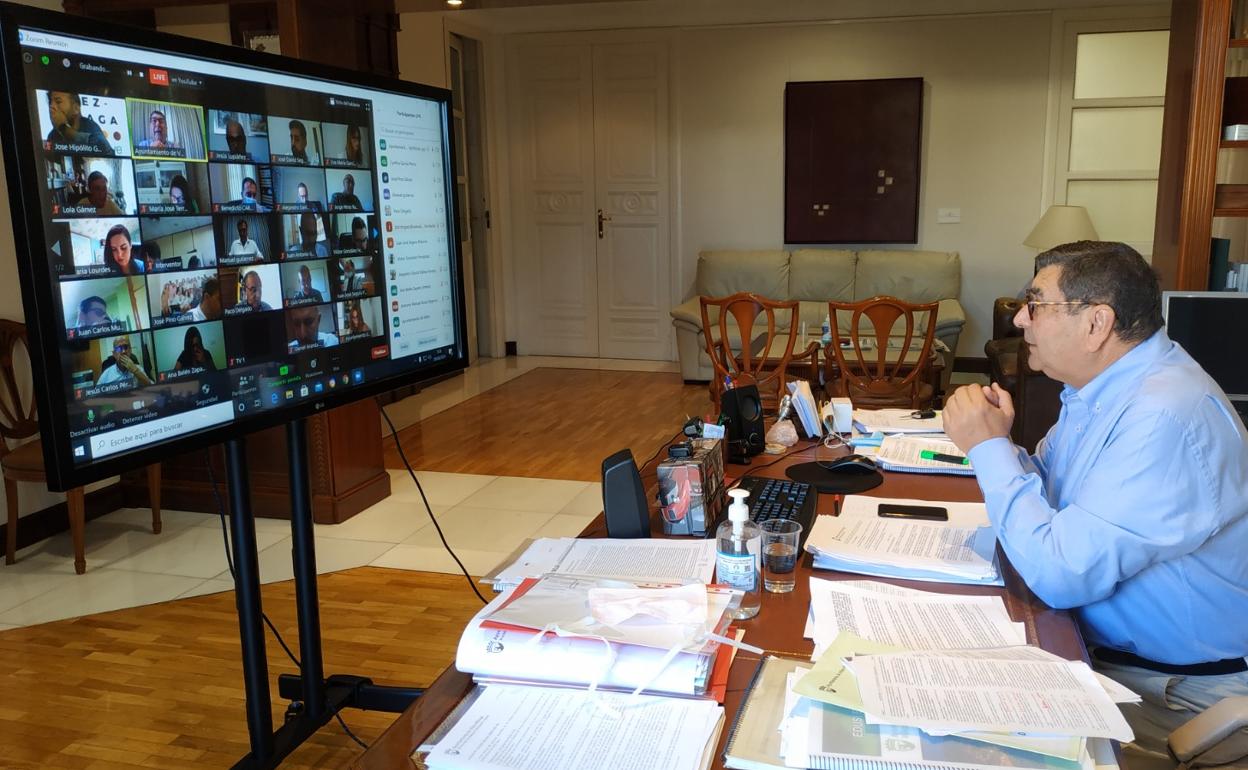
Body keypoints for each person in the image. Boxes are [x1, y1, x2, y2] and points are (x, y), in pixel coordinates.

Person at [941, 241, 1248, 769]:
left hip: (1168, 693)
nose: (1020, 319)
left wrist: (988, 449)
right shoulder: (1105, 390)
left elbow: (1060, 574)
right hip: (1104, 650)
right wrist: (1000, 442)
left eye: (1036, 304)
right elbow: (1051, 490)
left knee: (953, 729)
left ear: (1096, 323)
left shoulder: (1162, 414)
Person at [44, 91, 112, 154]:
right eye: (50, 102)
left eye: (58, 102)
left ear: (76, 108)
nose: (51, 107)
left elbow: (106, 150)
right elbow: (47, 156)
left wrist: (64, 129)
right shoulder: (52, 135)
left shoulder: (90, 126)